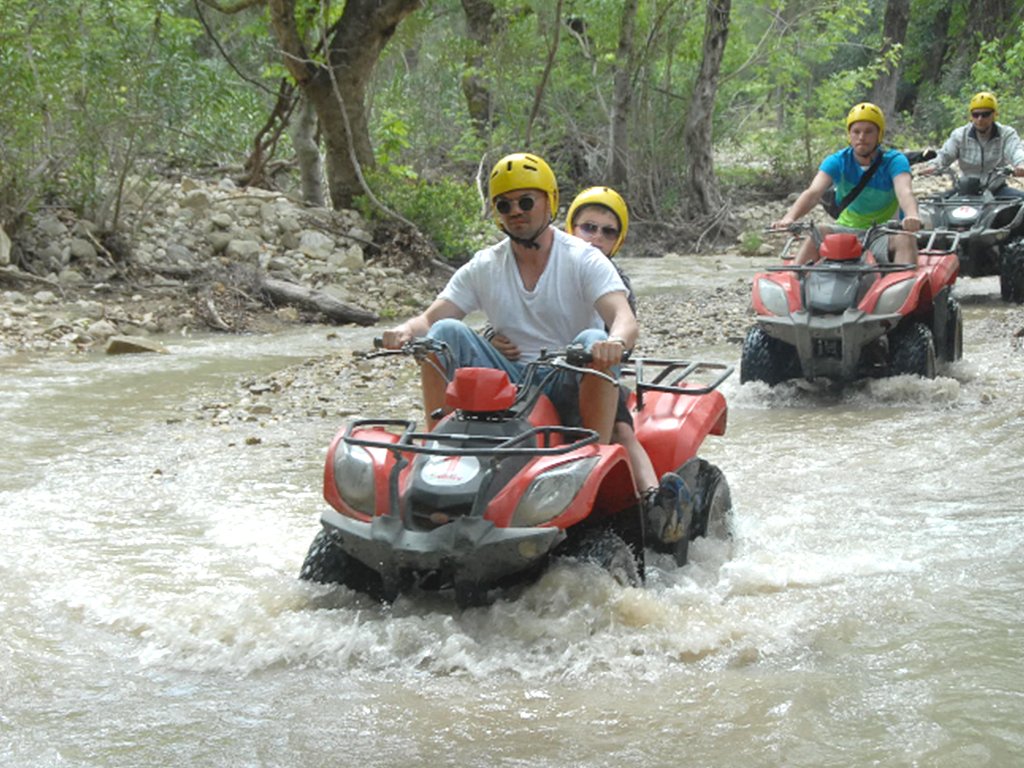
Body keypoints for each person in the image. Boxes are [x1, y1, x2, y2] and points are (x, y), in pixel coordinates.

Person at [380, 152, 636, 448]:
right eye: (505, 204)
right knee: (442, 333)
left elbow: (623, 318)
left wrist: (614, 343)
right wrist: (406, 331)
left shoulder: (584, 258)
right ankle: (437, 444)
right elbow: (429, 319)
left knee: (593, 338)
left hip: (568, 373)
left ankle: (594, 454)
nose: (516, 211)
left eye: (526, 202)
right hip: (507, 377)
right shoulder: (485, 265)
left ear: (549, 202)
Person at [485, 185, 688, 544]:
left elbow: (623, 326)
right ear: (570, 227)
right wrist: (490, 337)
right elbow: (516, 315)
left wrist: (611, 345)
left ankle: (654, 502)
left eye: (608, 231)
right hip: (533, 375)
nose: (596, 237)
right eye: (588, 227)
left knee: (621, 432)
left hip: (592, 375)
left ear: (618, 239)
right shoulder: (541, 263)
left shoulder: (614, 280)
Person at [772, 102, 922, 265]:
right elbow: (813, 193)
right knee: (816, 232)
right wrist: (789, 218)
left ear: (879, 134)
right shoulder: (837, 161)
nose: (861, 137)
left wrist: (911, 215)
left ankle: (904, 285)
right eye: (856, 131)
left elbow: (904, 192)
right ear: (849, 134)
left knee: (906, 239)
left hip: (883, 232)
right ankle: (795, 280)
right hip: (845, 230)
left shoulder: (895, 161)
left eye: (868, 131)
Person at [919, 91, 1024, 199]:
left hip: (996, 190)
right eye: (976, 114)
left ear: (994, 114)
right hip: (965, 189)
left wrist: (1021, 164)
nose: (980, 119)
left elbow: (1016, 151)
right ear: (971, 116)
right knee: (931, 204)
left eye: (985, 114)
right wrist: (933, 166)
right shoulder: (959, 135)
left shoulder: (1006, 134)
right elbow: (945, 155)